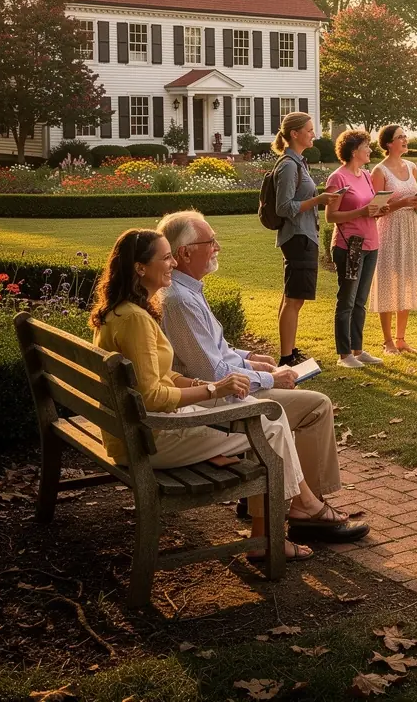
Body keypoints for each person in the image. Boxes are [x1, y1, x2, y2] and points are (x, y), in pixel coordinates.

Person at [90, 229, 358, 562]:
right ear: (140, 268)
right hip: (148, 441)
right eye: (166, 257)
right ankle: (270, 538)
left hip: (134, 431)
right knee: (270, 424)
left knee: (259, 414)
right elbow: (154, 397)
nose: (172, 262)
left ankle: (289, 516)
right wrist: (215, 389)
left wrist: (205, 385)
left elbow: (158, 377)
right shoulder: (136, 319)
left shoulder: (123, 311)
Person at [157, 210, 368, 543]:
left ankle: (296, 500)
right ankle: (304, 507)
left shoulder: (188, 290)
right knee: (315, 407)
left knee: (303, 406)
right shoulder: (180, 299)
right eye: (210, 241)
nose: (217, 247)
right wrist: (272, 379)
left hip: (217, 393)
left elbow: (216, 351)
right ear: (184, 253)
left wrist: (251, 358)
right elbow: (211, 373)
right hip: (214, 403)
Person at [272, 111, 340, 368]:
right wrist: (318, 200)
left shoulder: (298, 162)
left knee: (292, 296)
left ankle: (288, 352)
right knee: (294, 299)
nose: (313, 134)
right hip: (298, 237)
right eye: (310, 130)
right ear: (294, 134)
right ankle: (286, 358)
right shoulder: (289, 166)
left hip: (304, 234)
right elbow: (284, 207)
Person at [325, 129, 386, 367]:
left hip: (371, 243)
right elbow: (331, 216)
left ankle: (358, 350)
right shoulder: (337, 178)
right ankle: (344, 355)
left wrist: (380, 209)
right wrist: (361, 212)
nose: (370, 150)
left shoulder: (366, 175)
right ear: (354, 151)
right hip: (349, 246)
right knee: (347, 300)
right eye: (366, 146)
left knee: (360, 300)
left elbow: (370, 207)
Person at [370, 125, 417, 354]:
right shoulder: (380, 171)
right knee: (387, 281)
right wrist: (402, 203)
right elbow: (375, 209)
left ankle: (401, 338)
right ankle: (387, 341)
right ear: (388, 144)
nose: (405, 139)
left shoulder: (412, 167)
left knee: (406, 280)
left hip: (409, 226)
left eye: (405, 136)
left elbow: (416, 201)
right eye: (400, 137)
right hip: (388, 228)